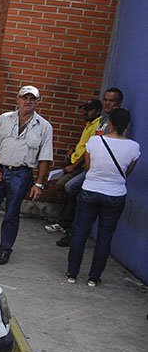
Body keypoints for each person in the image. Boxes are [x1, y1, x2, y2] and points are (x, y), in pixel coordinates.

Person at [0, 85, 53, 265]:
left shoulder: (44, 127)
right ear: (18, 99)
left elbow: (45, 158)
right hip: (0, 170)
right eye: (25, 97)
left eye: (32, 99)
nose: (28, 101)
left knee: (11, 214)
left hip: (22, 174)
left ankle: (5, 250)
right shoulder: (4, 119)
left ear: (38, 102)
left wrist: (39, 183)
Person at [66, 108, 140, 286]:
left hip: (90, 190)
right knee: (105, 237)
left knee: (80, 233)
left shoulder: (94, 141)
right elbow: (127, 171)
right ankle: (93, 277)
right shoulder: (134, 147)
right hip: (115, 194)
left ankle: (72, 273)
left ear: (110, 123)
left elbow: (88, 167)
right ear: (127, 125)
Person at [56, 88, 124, 247]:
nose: (107, 103)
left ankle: (74, 231)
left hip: (100, 170)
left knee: (73, 188)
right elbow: (91, 145)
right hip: (90, 167)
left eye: (111, 100)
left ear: (119, 103)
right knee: (73, 190)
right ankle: (73, 230)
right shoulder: (102, 120)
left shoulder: (117, 121)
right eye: (105, 100)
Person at [44, 99, 102, 234]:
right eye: (85, 109)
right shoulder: (89, 124)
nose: (85, 112)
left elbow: (90, 148)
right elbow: (84, 143)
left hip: (80, 165)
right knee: (68, 189)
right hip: (74, 160)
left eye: (89, 110)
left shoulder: (97, 125)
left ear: (98, 111)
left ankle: (66, 222)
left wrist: (75, 165)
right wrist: (73, 149)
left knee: (67, 186)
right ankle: (65, 221)